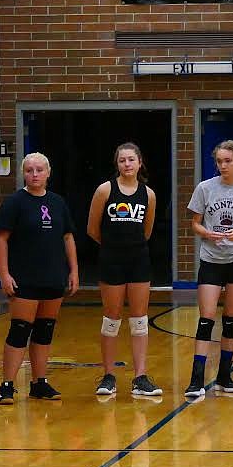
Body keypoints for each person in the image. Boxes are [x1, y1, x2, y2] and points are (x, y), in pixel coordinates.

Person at [0, 153, 78, 405]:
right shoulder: (14, 203)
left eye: (39, 170)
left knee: (44, 331)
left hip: (53, 276)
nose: (34, 174)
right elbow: (1, 239)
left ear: (48, 172)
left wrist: (73, 270)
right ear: (23, 174)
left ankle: (39, 382)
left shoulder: (58, 202)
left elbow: (67, 237)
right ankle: (7, 384)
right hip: (24, 277)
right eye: (29, 170)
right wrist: (4, 274)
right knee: (20, 330)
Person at [184, 140, 233, 398]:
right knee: (206, 319)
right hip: (211, 259)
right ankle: (196, 378)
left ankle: (224, 375)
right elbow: (195, 223)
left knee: (230, 319)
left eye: (227, 161)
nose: (222, 166)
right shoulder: (205, 188)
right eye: (219, 161)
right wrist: (206, 232)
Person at [86, 143, 161, 397]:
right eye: (122, 161)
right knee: (112, 318)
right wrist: (113, 247)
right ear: (116, 164)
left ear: (140, 162)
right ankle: (108, 375)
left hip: (139, 260)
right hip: (111, 260)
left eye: (131, 160)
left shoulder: (148, 194)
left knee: (140, 320)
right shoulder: (105, 190)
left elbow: (147, 231)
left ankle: (140, 377)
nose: (127, 164)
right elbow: (92, 229)